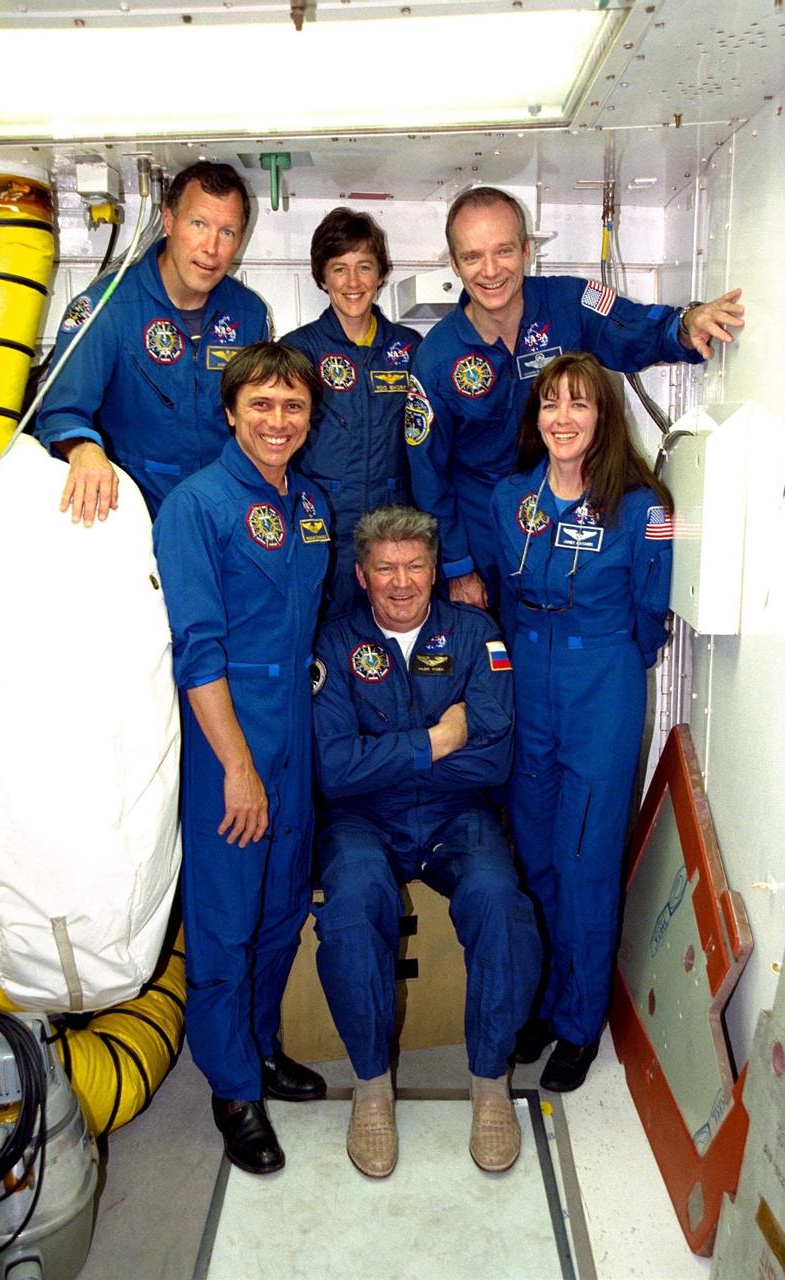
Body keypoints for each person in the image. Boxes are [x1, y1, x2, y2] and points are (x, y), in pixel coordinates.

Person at [311, 505, 541, 1177]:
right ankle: (371, 1087)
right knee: (351, 911)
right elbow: (334, 768)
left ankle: (490, 1082)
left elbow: (492, 757)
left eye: (415, 566)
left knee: (502, 903)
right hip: (363, 817)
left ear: (435, 571)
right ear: (360, 575)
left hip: (455, 814)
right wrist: (438, 738)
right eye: (385, 568)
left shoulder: (475, 634)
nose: (401, 582)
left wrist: (385, 754)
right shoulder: (332, 644)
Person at [152, 342, 331, 1175]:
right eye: (260, 405)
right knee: (225, 921)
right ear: (230, 412)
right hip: (232, 731)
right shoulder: (196, 506)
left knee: (279, 907)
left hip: (295, 721)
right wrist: (235, 766)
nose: (277, 421)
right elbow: (198, 651)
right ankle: (231, 1090)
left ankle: (259, 1049)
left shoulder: (311, 506)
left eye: (292, 406)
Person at [407, 185, 745, 606]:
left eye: (504, 251)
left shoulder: (568, 303)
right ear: (455, 264)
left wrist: (684, 325)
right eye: (473, 256)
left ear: (527, 250)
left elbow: (633, 326)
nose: (490, 270)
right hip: (485, 543)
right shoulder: (436, 358)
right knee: (487, 665)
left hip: (571, 529)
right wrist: (458, 569)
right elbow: (427, 475)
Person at [489, 352, 674, 1093]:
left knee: (585, 866)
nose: (561, 418)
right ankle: (539, 1003)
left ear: (603, 418)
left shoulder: (642, 509)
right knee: (532, 857)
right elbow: (502, 593)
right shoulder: (510, 499)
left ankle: (577, 1021)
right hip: (526, 688)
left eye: (578, 405)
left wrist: (600, 666)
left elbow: (649, 616)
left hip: (601, 683)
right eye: (549, 405)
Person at [36, 161, 269, 524]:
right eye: (199, 224)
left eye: (227, 232)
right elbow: (61, 412)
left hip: (223, 515)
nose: (211, 248)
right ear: (169, 222)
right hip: (136, 516)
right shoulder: (106, 308)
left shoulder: (249, 314)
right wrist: (83, 450)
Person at [283, 208, 422, 613]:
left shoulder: (409, 349)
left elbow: (430, 444)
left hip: (393, 532)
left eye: (364, 266)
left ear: (380, 275)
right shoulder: (298, 351)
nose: (353, 281)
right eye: (339, 269)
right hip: (322, 529)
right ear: (322, 278)